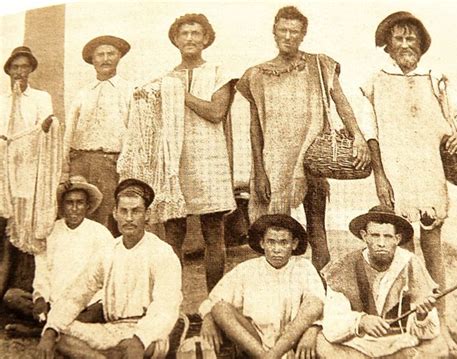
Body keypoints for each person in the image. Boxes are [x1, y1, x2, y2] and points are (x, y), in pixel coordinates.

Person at [360, 11, 457, 354]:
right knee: (400, 253)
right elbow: (370, 135)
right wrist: (380, 177)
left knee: (433, 250)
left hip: (429, 173)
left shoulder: (435, 78)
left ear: (421, 45)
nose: (406, 44)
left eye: (412, 39)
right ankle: (406, 327)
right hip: (395, 176)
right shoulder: (375, 81)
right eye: (399, 38)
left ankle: (442, 330)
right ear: (388, 46)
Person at [236, 6, 370, 271]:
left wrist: (358, 137)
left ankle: (321, 292)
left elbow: (341, 103)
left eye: (294, 31)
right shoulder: (256, 75)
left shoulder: (319, 64)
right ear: (274, 31)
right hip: (273, 165)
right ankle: (275, 293)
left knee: (317, 232)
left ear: (303, 34)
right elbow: (255, 129)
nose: (288, 36)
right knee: (273, 233)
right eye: (283, 30)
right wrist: (260, 172)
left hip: (312, 160)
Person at [37, 178, 182, 358]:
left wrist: (140, 339)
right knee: (59, 334)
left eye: (136, 211)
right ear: (115, 213)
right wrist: (51, 330)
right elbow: (77, 294)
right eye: (124, 211)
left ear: (147, 215)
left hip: (146, 331)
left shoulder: (162, 253)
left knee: (128, 347)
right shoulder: (107, 251)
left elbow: (165, 306)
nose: (129, 218)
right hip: (110, 329)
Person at [164, 13, 236, 291]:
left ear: (206, 39)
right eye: (184, 34)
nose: (190, 39)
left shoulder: (218, 72)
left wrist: (182, 95)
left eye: (196, 33)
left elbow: (217, 112)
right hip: (176, 162)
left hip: (210, 162)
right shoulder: (166, 78)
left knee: (213, 234)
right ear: (176, 40)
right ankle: (171, 304)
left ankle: (213, 303)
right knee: (173, 235)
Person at [318, 205, 447, 358]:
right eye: (374, 235)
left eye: (387, 236)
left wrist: (422, 316)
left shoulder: (410, 263)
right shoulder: (345, 265)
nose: (381, 243)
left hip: (399, 343)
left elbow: (430, 332)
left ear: (397, 239)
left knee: (438, 348)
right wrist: (361, 321)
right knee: (322, 344)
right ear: (364, 236)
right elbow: (332, 326)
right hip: (358, 345)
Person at [199, 214, 325, 359]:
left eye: (284, 242)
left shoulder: (303, 267)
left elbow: (318, 305)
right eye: (271, 242)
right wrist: (208, 319)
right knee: (220, 308)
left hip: (292, 341)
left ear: (294, 244)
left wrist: (312, 330)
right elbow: (215, 299)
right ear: (262, 243)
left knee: (314, 303)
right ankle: (266, 356)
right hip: (254, 342)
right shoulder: (247, 269)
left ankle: (271, 356)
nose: (276, 249)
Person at [3, 175, 113, 335]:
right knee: (11, 297)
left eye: (80, 203)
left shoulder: (100, 233)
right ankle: (57, 328)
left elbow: (108, 276)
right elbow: (42, 273)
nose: (75, 208)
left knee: (102, 309)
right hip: (54, 302)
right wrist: (41, 299)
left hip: (85, 305)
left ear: (87, 206)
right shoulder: (50, 231)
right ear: (62, 206)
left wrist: (93, 301)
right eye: (70, 203)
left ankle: (38, 330)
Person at [0, 46, 61, 301]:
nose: (20, 72)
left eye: (24, 67)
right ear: (9, 70)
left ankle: (28, 291)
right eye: (15, 67)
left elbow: (47, 127)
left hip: (32, 170)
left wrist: (47, 126)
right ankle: (3, 288)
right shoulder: (2, 101)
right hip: (6, 171)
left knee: (29, 226)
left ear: (31, 69)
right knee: (5, 228)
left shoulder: (40, 97)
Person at [61, 35, 134, 237]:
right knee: (78, 218)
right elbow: (69, 132)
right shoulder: (83, 93)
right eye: (100, 55)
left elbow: (133, 132)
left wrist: (123, 167)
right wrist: (65, 168)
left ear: (119, 57)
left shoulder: (129, 91)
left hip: (110, 163)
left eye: (111, 54)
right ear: (92, 60)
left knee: (105, 220)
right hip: (80, 162)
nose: (105, 59)